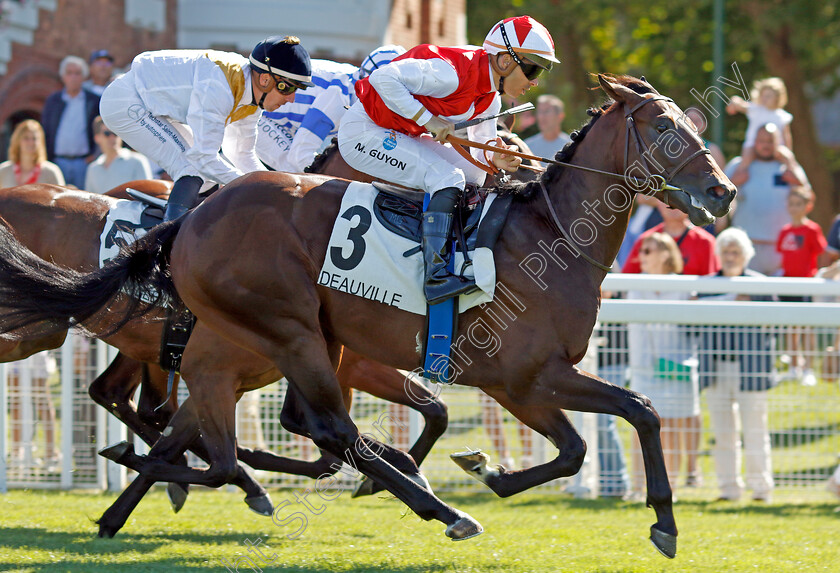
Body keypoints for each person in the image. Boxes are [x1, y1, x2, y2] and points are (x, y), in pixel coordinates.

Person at [338, 15, 557, 303]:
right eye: (532, 68)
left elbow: (480, 151)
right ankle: (436, 276)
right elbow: (382, 78)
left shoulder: (492, 96)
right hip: (364, 132)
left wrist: (496, 157)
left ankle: (453, 250)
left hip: (400, 132)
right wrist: (427, 120)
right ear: (504, 61)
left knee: (475, 177)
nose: (534, 80)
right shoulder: (451, 73)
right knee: (447, 177)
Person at [99, 36, 313, 223]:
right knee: (191, 168)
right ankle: (159, 247)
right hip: (126, 102)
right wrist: (254, 189)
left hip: (153, 106)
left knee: (209, 176)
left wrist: (274, 189)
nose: (291, 98)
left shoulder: (253, 99)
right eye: (289, 87)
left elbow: (241, 154)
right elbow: (203, 157)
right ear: (265, 79)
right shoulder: (219, 85)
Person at [697, 227, 776, 502]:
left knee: (755, 429)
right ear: (719, 255)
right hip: (716, 368)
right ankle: (729, 488)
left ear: (746, 256)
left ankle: (761, 488)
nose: (731, 257)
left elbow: (772, 325)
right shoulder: (706, 285)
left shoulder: (759, 284)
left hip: (750, 369)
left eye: (736, 252)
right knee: (723, 432)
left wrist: (749, 303)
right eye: (726, 252)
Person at [627, 233, 700, 497]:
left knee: (672, 428)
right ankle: (637, 486)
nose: (641, 257)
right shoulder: (634, 285)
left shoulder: (683, 286)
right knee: (641, 426)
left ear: (666, 254)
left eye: (648, 251)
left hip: (676, 368)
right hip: (643, 368)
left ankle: (670, 487)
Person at [256, 45, 406, 172]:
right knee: (295, 169)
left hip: (278, 116)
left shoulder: (354, 84)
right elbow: (299, 156)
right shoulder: (341, 98)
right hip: (258, 113)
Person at [725, 123, 808, 275]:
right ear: (753, 142)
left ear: (779, 143)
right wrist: (736, 178)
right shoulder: (738, 166)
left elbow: (809, 199)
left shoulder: (789, 168)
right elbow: (717, 196)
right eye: (761, 140)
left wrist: (793, 169)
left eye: (770, 141)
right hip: (747, 247)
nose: (766, 145)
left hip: (781, 248)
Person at [776, 185, 827, 386]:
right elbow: (784, 257)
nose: (795, 208)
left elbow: (821, 255)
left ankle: (809, 369)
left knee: (807, 328)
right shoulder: (785, 231)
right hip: (789, 284)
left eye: (799, 204)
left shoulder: (812, 229)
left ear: (808, 206)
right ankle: (793, 368)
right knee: (791, 328)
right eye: (792, 204)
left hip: (807, 284)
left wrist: (819, 278)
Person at [41, 55, 101, 188]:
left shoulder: (93, 101)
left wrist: (94, 155)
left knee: (83, 202)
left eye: (77, 73)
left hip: (84, 163)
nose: (73, 77)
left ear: (84, 77)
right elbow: (45, 130)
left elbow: (102, 128)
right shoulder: (53, 101)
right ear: (62, 76)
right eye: (69, 73)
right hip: (57, 162)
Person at [726, 77, 793, 184]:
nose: (764, 99)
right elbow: (740, 104)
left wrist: (787, 150)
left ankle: (795, 184)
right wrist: (733, 103)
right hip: (753, 145)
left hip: (775, 147)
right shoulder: (755, 109)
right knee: (745, 161)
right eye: (763, 95)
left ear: (777, 98)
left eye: (768, 96)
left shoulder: (781, 116)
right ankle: (735, 182)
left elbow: (787, 136)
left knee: (788, 158)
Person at [84, 116, 152, 194]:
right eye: (107, 133)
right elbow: (90, 200)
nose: (112, 137)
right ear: (97, 138)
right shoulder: (93, 168)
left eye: (115, 133)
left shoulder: (138, 161)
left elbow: (147, 196)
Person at [0, 120, 65, 187]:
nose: (31, 142)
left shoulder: (51, 172)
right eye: (26, 138)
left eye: (34, 139)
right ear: (17, 141)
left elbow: (61, 196)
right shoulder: (3, 171)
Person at [523, 94, 570, 158]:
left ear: (560, 116)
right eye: (540, 111)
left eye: (547, 111)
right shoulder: (526, 147)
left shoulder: (570, 146)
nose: (542, 116)